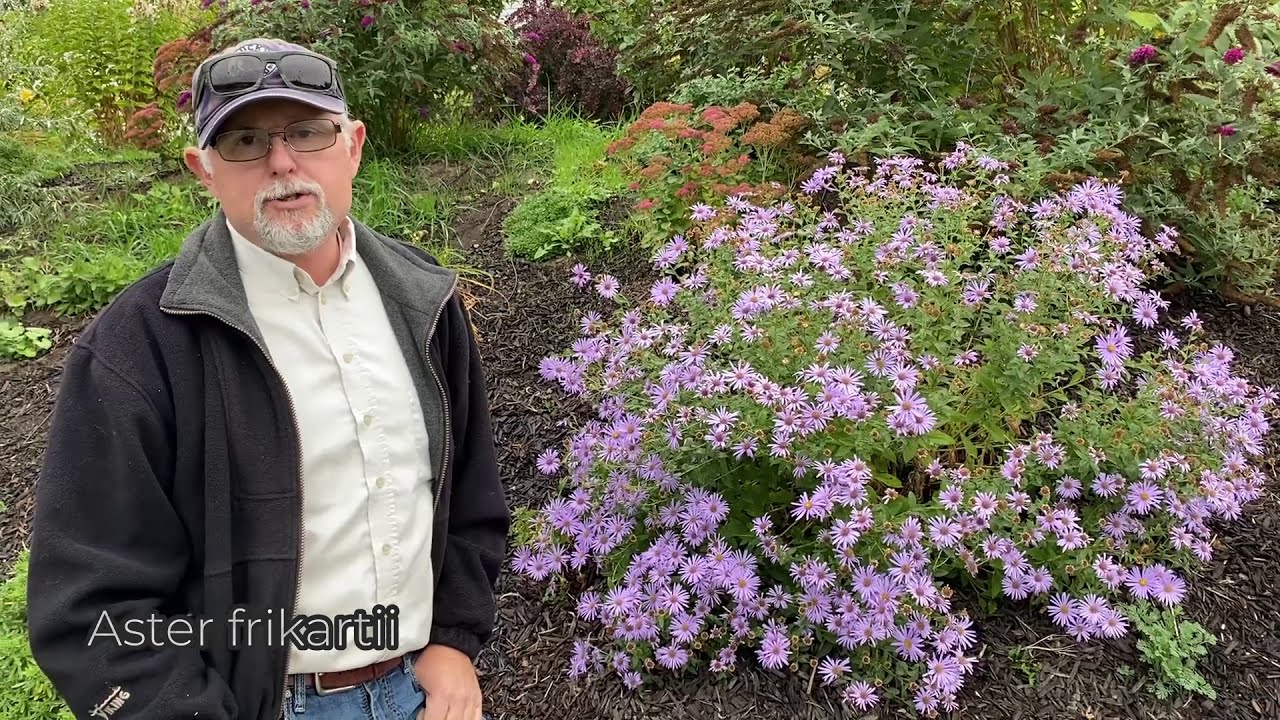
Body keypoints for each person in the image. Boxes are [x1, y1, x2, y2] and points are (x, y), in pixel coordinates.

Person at [25, 38, 509, 720]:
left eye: (308, 132)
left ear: (354, 146)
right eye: (246, 141)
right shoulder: (139, 347)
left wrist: (456, 643)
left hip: (421, 695)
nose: (282, 163)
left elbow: (472, 498)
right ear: (203, 169)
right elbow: (90, 607)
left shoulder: (421, 300)